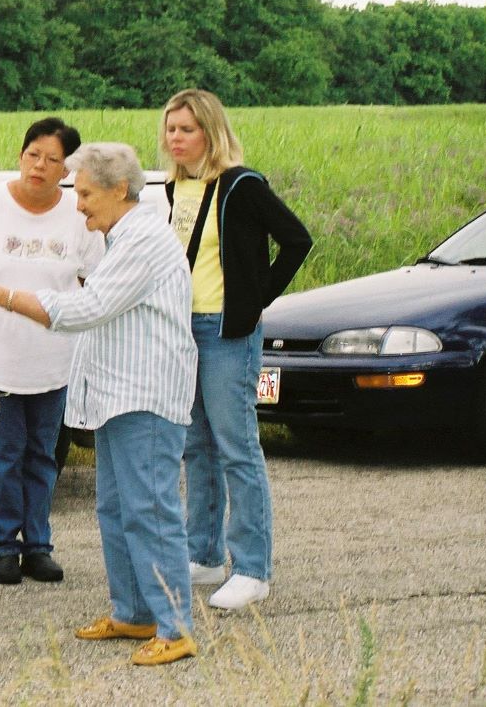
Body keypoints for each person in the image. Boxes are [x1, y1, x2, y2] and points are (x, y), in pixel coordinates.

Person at [0, 143, 198, 666]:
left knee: (151, 511)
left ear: (119, 190)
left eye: (86, 193)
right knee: (115, 508)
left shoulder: (143, 239)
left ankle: (176, 626)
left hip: (147, 397)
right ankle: (134, 613)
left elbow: (88, 307)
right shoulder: (121, 236)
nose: (78, 204)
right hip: (119, 396)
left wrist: (3, 296)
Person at [160, 88, 312, 611]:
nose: (175, 138)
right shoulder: (173, 187)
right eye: (171, 129)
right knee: (195, 445)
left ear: (210, 131)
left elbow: (297, 239)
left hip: (226, 332)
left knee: (236, 447)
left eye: (186, 129)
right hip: (181, 332)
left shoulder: (241, 186)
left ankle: (252, 567)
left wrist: (254, 299)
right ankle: (202, 556)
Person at [0, 118, 104, 586]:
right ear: (20, 155)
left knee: (42, 454)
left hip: (53, 358)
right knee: (2, 454)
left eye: (53, 160)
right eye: (33, 154)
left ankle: (39, 545)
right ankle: (4, 547)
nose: (40, 166)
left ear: (67, 170)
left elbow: (96, 278)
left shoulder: (79, 216)